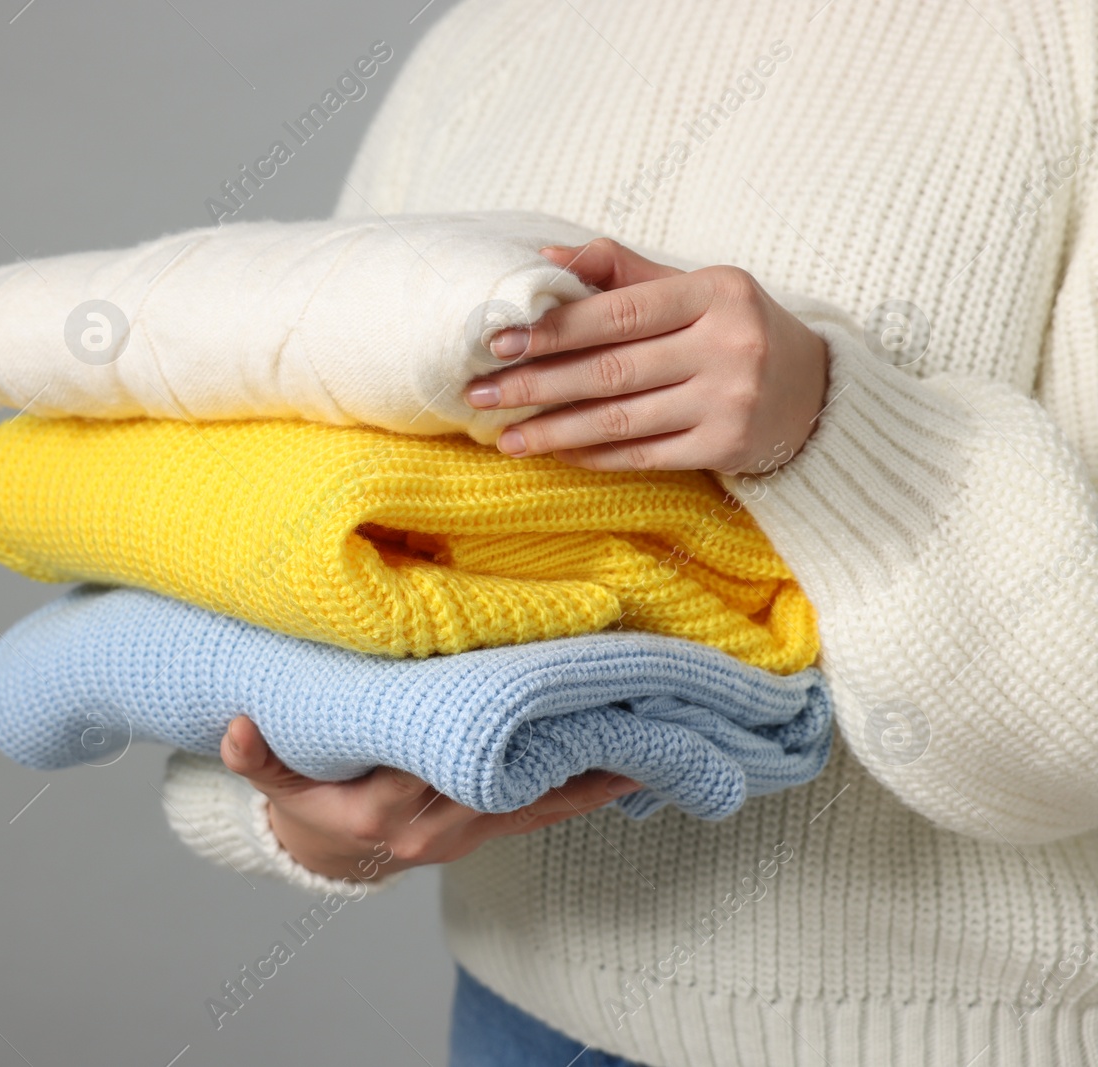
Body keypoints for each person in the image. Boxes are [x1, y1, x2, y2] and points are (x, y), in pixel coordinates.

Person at [160, 2, 1098, 1064]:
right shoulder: (492, 37)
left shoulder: (1060, 45)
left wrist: (826, 426)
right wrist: (310, 818)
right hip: (520, 1023)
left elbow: (1075, 737)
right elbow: (296, 511)